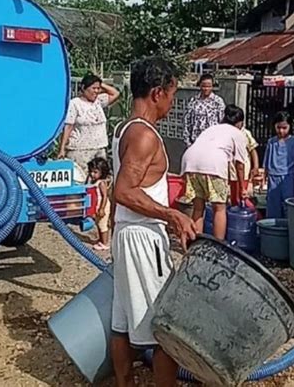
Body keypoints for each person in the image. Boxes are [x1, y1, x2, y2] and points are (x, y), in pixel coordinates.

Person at [111, 57, 197, 387]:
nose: (173, 104)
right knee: (165, 328)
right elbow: (123, 190)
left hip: (125, 233)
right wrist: (171, 213)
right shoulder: (145, 136)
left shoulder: (123, 129)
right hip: (143, 238)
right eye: (173, 94)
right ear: (158, 92)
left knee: (121, 323)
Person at [181, 105, 249, 240]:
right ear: (240, 123)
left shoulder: (212, 128)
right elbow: (240, 165)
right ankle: (218, 247)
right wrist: (242, 189)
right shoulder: (238, 133)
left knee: (198, 208)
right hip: (213, 165)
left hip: (189, 163)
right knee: (219, 208)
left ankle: (195, 244)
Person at [58, 73, 120, 174]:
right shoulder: (75, 104)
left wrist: (99, 82)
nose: (96, 91)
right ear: (83, 88)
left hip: (99, 148)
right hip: (80, 150)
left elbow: (115, 93)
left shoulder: (98, 101)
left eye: (98, 88)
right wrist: (62, 148)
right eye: (93, 88)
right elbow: (69, 126)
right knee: (83, 178)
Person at [263, 111, 294, 219]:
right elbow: (266, 161)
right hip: (273, 177)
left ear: (290, 126)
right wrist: (264, 176)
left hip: (288, 177)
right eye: (278, 127)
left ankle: (288, 227)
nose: (281, 130)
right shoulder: (271, 142)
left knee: (288, 204)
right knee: (273, 205)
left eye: (284, 127)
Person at [183, 74, 226, 146]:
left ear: (212, 86)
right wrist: (188, 142)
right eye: (204, 86)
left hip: (212, 142)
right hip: (195, 142)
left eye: (209, 86)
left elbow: (222, 122)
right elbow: (187, 121)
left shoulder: (218, 101)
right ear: (200, 86)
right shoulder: (193, 101)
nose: (206, 89)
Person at [228, 125, 260, 207]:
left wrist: (256, 166)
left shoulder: (245, 133)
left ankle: (254, 214)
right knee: (233, 199)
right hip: (230, 171)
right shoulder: (227, 132)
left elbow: (252, 150)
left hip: (243, 172)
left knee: (242, 197)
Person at [87, 157, 112, 251]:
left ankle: (105, 243)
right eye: (91, 171)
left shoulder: (101, 183)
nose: (92, 174)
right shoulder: (95, 182)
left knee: (103, 224)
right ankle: (101, 239)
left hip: (102, 206)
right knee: (98, 223)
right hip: (97, 206)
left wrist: (102, 208)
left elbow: (105, 196)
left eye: (95, 172)